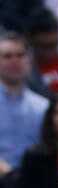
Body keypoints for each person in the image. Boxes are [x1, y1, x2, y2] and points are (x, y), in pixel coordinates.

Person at [0, 31, 49, 175]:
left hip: (32, 178)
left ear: (30, 61)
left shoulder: (43, 106)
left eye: (20, 55)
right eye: (7, 56)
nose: (14, 61)